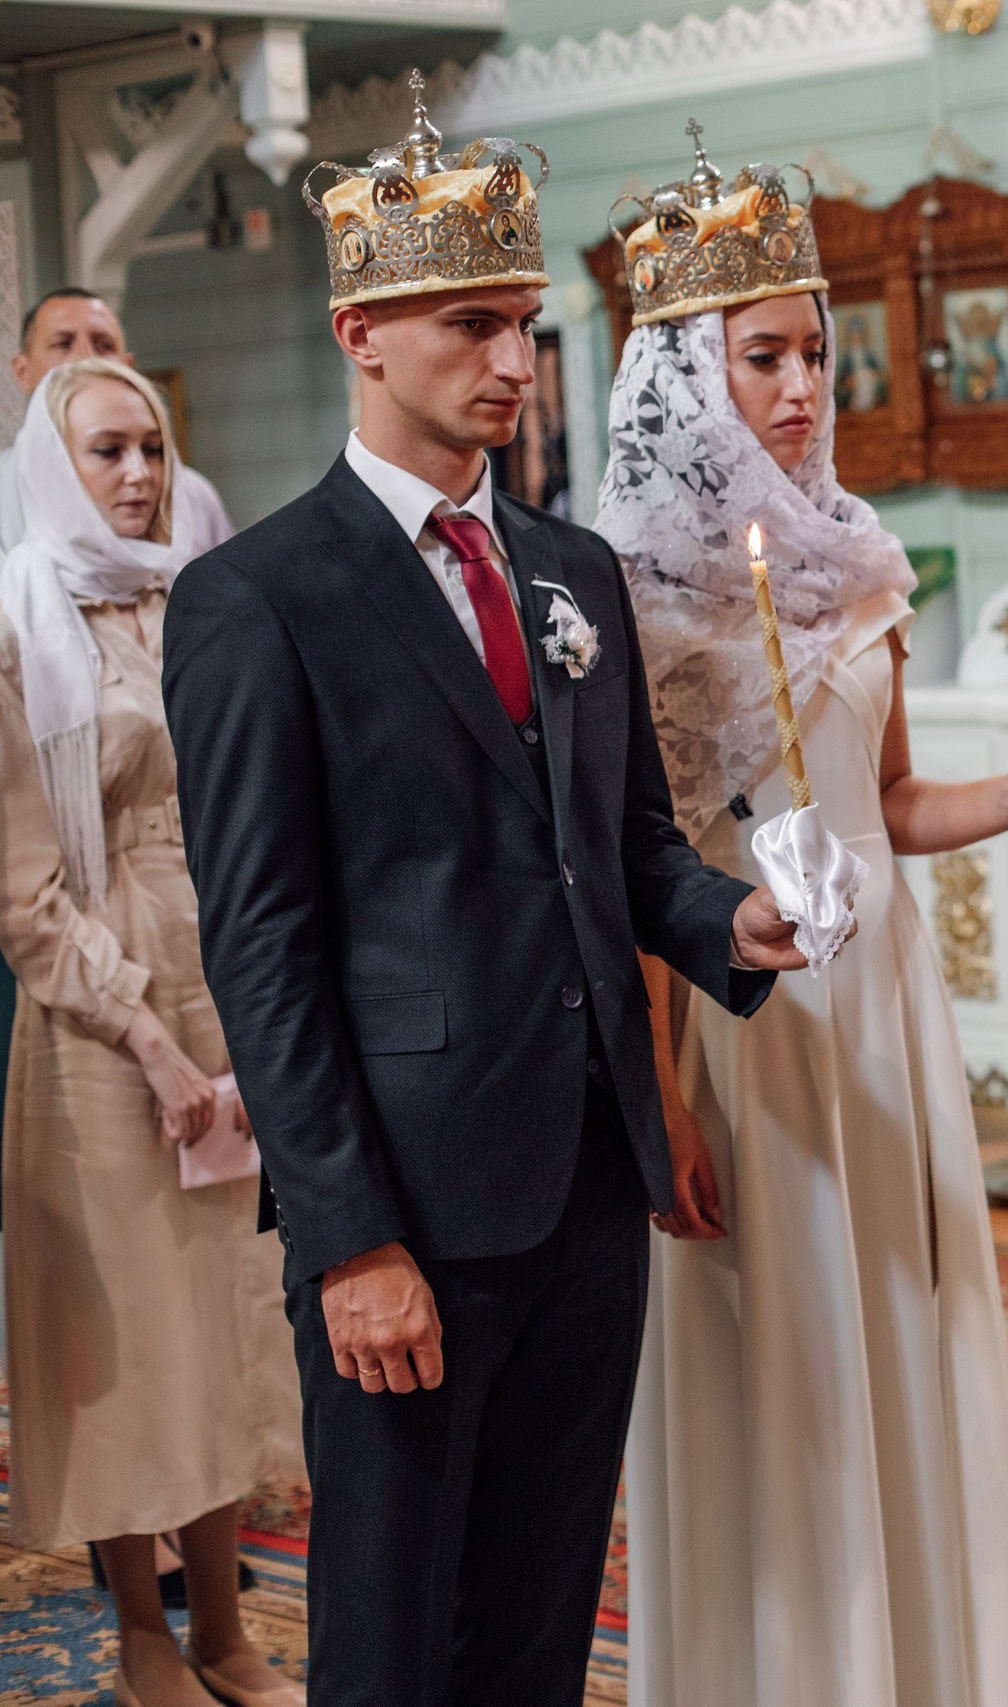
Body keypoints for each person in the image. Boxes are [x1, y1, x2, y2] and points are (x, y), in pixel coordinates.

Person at [161, 88, 805, 1707]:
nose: (515, 364)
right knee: (391, 1626)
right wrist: (349, 1236)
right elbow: (263, 941)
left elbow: (628, 844)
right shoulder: (258, 599)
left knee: (536, 1608)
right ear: (360, 334)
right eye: (473, 327)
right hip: (410, 1201)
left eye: (524, 325)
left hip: (589, 1176)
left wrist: (728, 923)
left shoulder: (570, 573)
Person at [598, 126, 1008, 1707]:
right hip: (744, 1023)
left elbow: (895, 807)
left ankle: (926, 1667)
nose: (802, 387)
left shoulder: (860, 561)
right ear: (684, 369)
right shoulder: (638, 593)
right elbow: (637, 863)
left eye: (814, 351)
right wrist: (661, 1094)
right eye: (762, 356)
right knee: (779, 1357)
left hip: (886, 1005)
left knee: (906, 1323)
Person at [0, 359, 303, 1707]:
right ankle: (139, 1629)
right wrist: (153, 1039)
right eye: (109, 451)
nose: (138, 474)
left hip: (224, 968)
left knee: (228, 1319)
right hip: (100, 1017)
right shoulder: (18, 619)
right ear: (58, 466)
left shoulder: (198, 596)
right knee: (129, 1335)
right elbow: (23, 892)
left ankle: (226, 1625)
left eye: (153, 448)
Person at [5, 288, 234, 554]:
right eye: (63, 344)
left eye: (104, 345)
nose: (85, 359)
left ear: (128, 366)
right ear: (22, 372)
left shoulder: (193, 496)